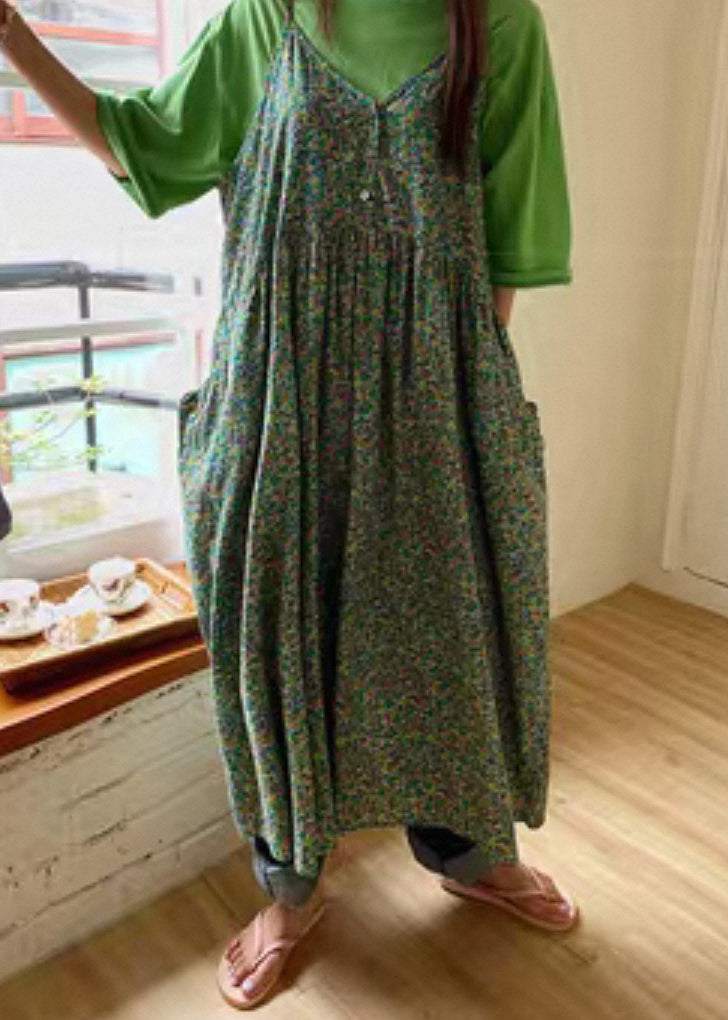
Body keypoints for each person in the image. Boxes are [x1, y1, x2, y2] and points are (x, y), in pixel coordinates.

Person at [0, 0, 578, 1008]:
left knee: (447, 632)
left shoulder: (499, 26)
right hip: (280, 401)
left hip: (433, 393)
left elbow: (511, 237)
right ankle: (290, 889)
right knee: (278, 642)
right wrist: (13, 37)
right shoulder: (264, 17)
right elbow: (141, 147)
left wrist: (466, 400)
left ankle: (469, 852)